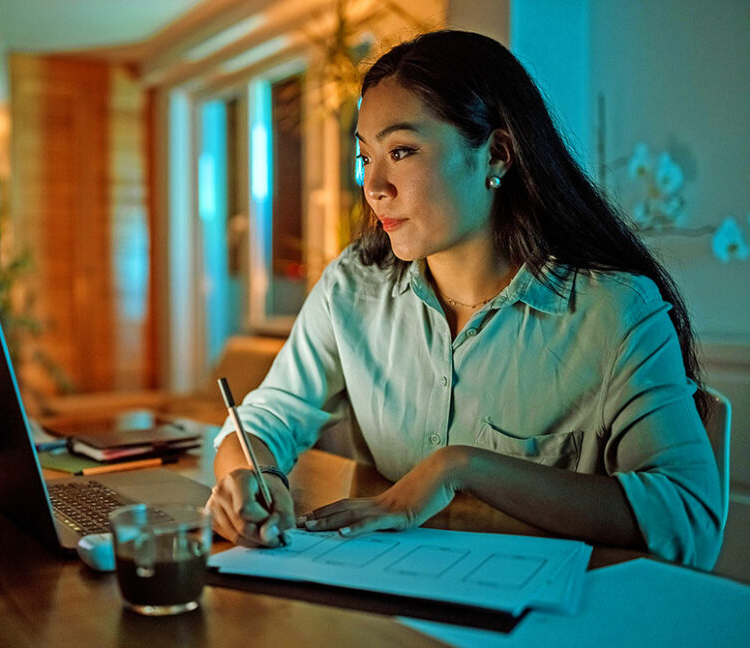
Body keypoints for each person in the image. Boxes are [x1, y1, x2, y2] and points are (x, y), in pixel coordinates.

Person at [204, 30, 723, 570]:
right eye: (366, 157)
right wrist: (248, 476)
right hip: (390, 595)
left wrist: (461, 467)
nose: (374, 185)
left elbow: (687, 518)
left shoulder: (614, 310)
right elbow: (267, 417)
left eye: (401, 151)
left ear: (496, 155)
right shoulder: (353, 287)